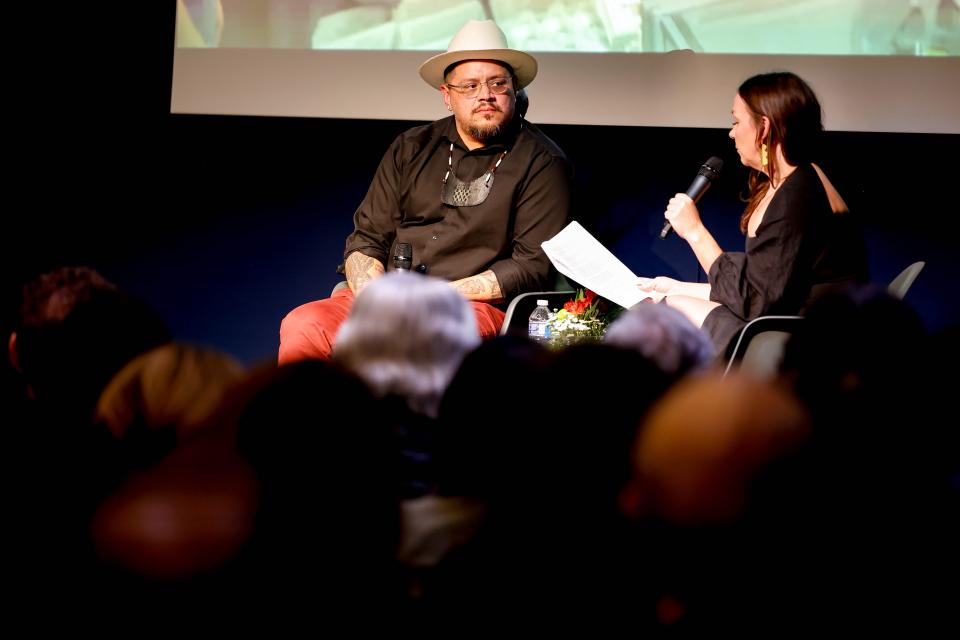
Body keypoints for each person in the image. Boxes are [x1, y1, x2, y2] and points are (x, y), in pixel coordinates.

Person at [278, 19, 573, 363]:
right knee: (304, 325)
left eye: (498, 84)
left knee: (410, 338)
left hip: (470, 307)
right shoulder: (411, 147)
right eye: (469, 86)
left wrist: (431, 299)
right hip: (388, 300)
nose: (485, 96)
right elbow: (367, 238)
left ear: (515, 91)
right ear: (447, 96)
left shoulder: (541, 161)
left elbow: (530, 266)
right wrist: (379, 297)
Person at [637, 72, 868, 356]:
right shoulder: (800, 179)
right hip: (789, 320)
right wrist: (678, 286)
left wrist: (695, 232)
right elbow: (766, 283)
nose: (731, 132)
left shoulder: (796, 195)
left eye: (736, 121)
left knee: (667, 312)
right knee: (668, 297)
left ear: (764, 127)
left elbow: (757, 301)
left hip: (805, 339)